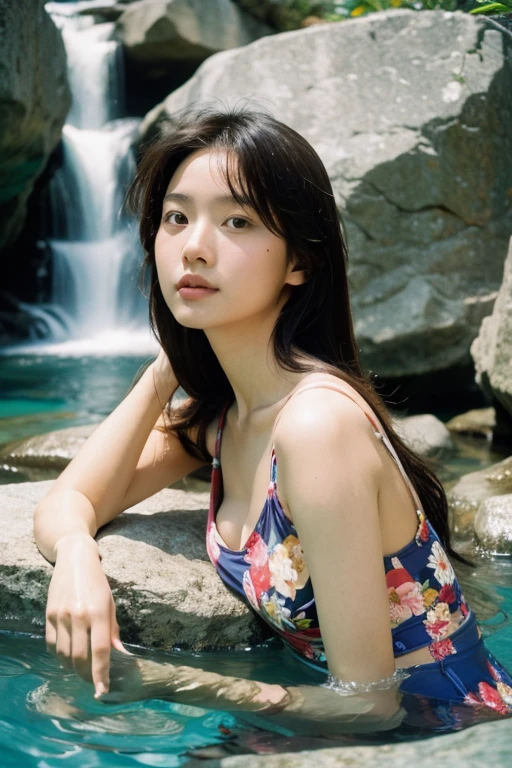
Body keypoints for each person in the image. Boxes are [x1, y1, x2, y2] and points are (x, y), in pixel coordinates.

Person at [33, 104, 512, 737]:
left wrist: (161, 682)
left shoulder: (317, 426)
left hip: (447, 732)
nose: (194, 248)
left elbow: (371, 703)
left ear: (299, 262)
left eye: (236, 221)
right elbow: (71, 499)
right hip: (333, 723)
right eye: (176, 218)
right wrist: (75, 556)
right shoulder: (228, 419)